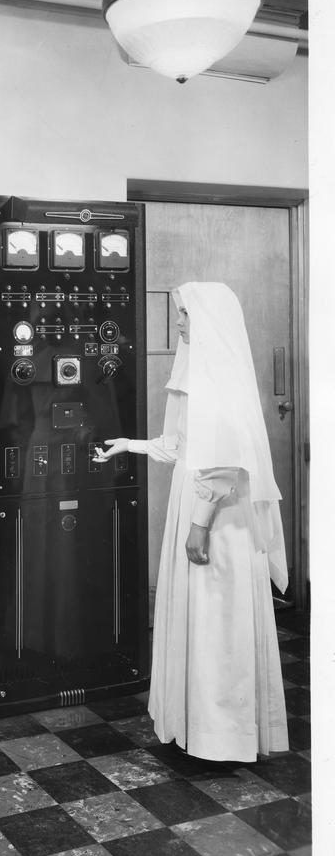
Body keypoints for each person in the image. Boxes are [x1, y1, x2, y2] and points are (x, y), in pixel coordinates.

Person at [97, 281, 288, 762]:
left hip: (220, 521)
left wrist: (200, 524)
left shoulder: (219, 384)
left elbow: (221, 467)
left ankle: (223, 734)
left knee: (217, 618)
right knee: (199, 616)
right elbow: (179, 447)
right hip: (197, 505)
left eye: (185, 314)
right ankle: (194, 727)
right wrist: (128, 445)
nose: (178, 321)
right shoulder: (194, 377)